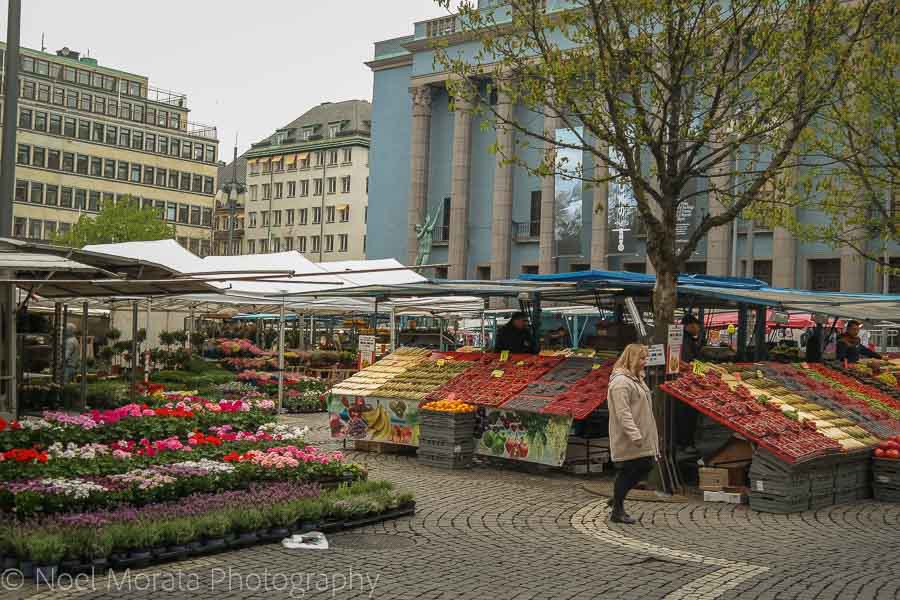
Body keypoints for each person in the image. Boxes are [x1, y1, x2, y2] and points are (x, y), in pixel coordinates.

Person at [607, 344, 659, 524]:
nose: (645, 362)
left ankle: (617, 498)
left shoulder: (636, 378)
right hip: (629, 437)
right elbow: (623, 413)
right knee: (629, 470)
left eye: (646, 358)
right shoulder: (621, 382)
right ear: (632, 359)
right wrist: (635, 434)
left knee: (645, 465)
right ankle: (617, 509)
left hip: (641, 434)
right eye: (642, 358)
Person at [677, 315, 703, 452]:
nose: (698, 328)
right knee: (686, 415)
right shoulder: (685, 340)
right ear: (690, 325)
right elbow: (688, 363)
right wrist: (699, 371)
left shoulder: (685, 339)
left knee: (684, 415)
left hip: (685, 383)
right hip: (686, 384)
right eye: (697, 325)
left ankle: (684, 442)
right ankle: (686, 443)